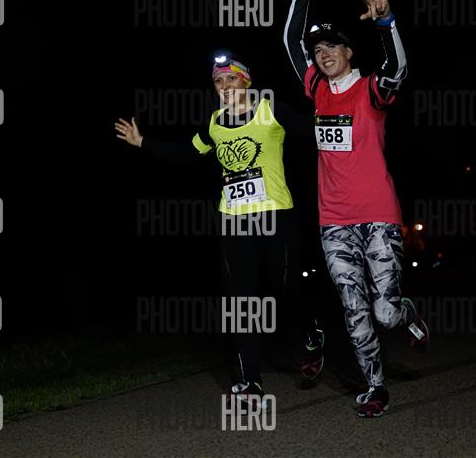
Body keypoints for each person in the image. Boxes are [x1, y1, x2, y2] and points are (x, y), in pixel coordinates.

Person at [114, 51, 323, 408]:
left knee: (286, 289)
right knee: (242, 301)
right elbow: (187, 153)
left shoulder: (271, 110)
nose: (224, 86)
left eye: (231, 78)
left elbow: (315, 130)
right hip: (235, 221)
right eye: (218, 81)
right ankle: (249, 381)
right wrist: (143, 142)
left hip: (276, 216)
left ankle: (310, 333)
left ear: (247, 82)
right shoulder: (213, 123)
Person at [284, 0, 429, 418]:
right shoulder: (316, 89)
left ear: (349, 53)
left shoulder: (371, 90)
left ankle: (407, 313)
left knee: (384, 313)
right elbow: (291, 42)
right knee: (353, 307)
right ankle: (374, 386)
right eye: (319, 50)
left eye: (333, 47)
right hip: (334, 221)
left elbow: (397, 69)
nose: (323, 54)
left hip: (378, 216)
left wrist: (387, 22)